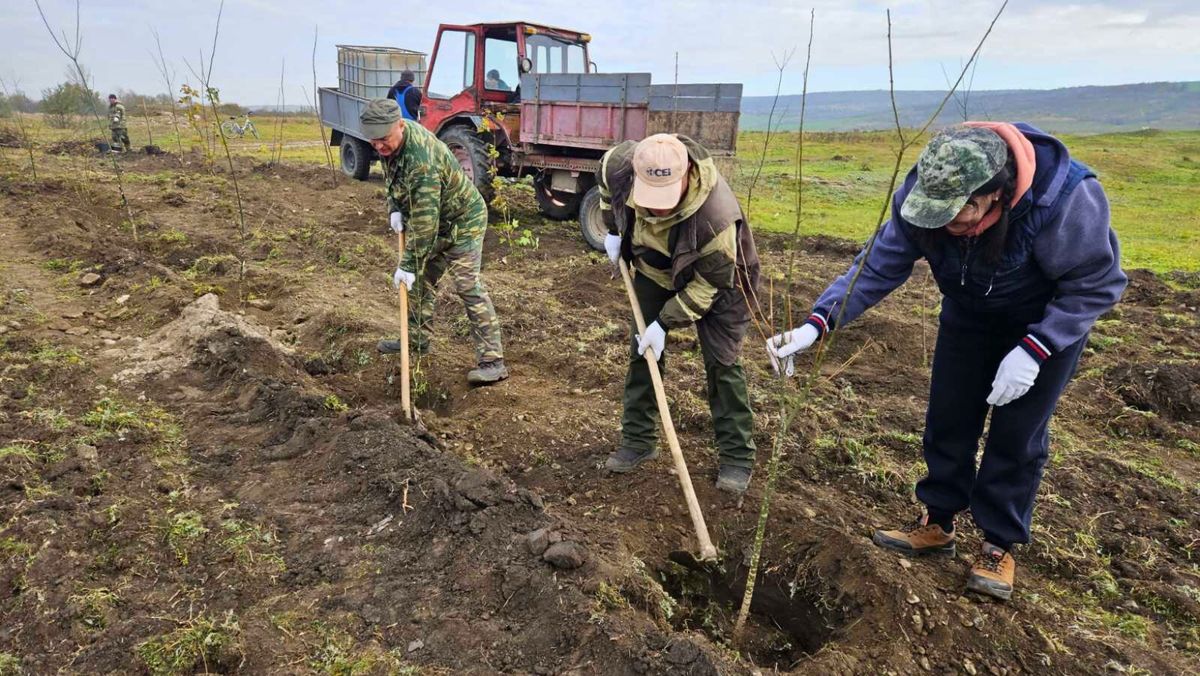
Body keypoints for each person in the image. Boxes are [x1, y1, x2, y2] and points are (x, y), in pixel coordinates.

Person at [767, 123, 1127, 600]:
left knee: (1017, 434)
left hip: (1042, 324)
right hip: (968, 313)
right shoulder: (925, 195)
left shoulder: (1063, 198)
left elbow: (1096, 283)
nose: (947, 226)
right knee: (949, 417)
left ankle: (998, 545)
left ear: (997, 195)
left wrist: (1036, 347)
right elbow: (878, 265)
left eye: (961, 215)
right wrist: (818, 322)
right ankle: (936, 523)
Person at [599, 133, 761, 494]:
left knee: (723, 364)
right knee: (644, 353)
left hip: (719, 280)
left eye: (665, 199)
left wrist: (664, 322)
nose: (658, 209)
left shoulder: (715, 219)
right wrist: (613, 229)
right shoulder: (622, 165)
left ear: (686, 173)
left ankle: (736, 457)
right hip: (656, 267)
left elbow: (708, 287)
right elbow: (605, 180)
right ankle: (639, 441)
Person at [359, 98, 507, 385]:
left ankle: (493, 361)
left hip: (463, 220)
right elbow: (393, 179)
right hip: (438, 221)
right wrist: (394, 208)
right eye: (373, 141)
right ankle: (416, 342)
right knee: (422, 281)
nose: (379, 147)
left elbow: (426, 222)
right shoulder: (389, 143)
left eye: (383, 140)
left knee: (467, 285)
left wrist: (408, 264)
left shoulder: (421, 161)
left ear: (400, 125)